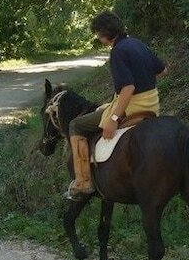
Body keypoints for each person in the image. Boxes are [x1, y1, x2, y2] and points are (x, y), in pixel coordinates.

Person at [66, 11, 167, 199]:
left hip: (132, 107)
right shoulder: (138, 44)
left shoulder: (118, 51)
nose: (98, 37)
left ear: (105, 33)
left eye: (97, 33)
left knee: (76, 125)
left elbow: (128, 88)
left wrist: (113, 119)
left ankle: (83, 181)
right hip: (152, 106)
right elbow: (162, 70)